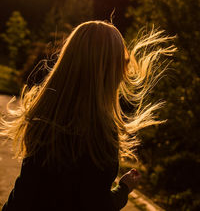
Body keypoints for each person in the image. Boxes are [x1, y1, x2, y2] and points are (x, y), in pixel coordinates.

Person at [0, 20, 176, 211]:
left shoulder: (44, 115)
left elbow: (26, 192)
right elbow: (96, 205)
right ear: (108, 71)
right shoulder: (99, 134)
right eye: (121, 64)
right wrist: (124, 189)